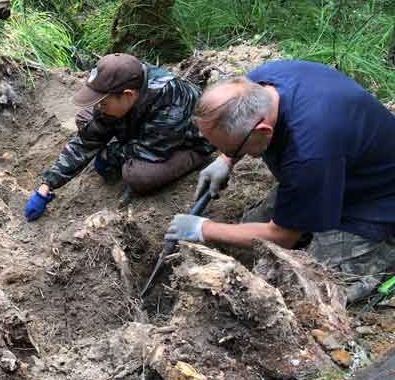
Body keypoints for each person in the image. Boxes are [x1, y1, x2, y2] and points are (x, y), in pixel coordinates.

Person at [165, 60, 395, 302]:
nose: (229, 153)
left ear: (263, 130)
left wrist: (203, 228)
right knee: (241, 243)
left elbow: (282, 236)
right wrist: (225, 159)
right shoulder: (261, 83)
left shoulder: (309, 153)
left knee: (312, 289)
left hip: (374, 199)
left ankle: (383, 250)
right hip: (334, 167)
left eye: (232, 148)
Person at [24, 53, 214, 221]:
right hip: (146, 128)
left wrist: (110, 154)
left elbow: (152, 150)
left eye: (103, 102)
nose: (99, 107)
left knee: (137, 175)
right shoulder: (125, 87)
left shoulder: (171, 100)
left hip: (185, 142)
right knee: (86, 117)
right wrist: (47, 185)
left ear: (128, 95)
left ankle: (193, 159)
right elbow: (86, 141)